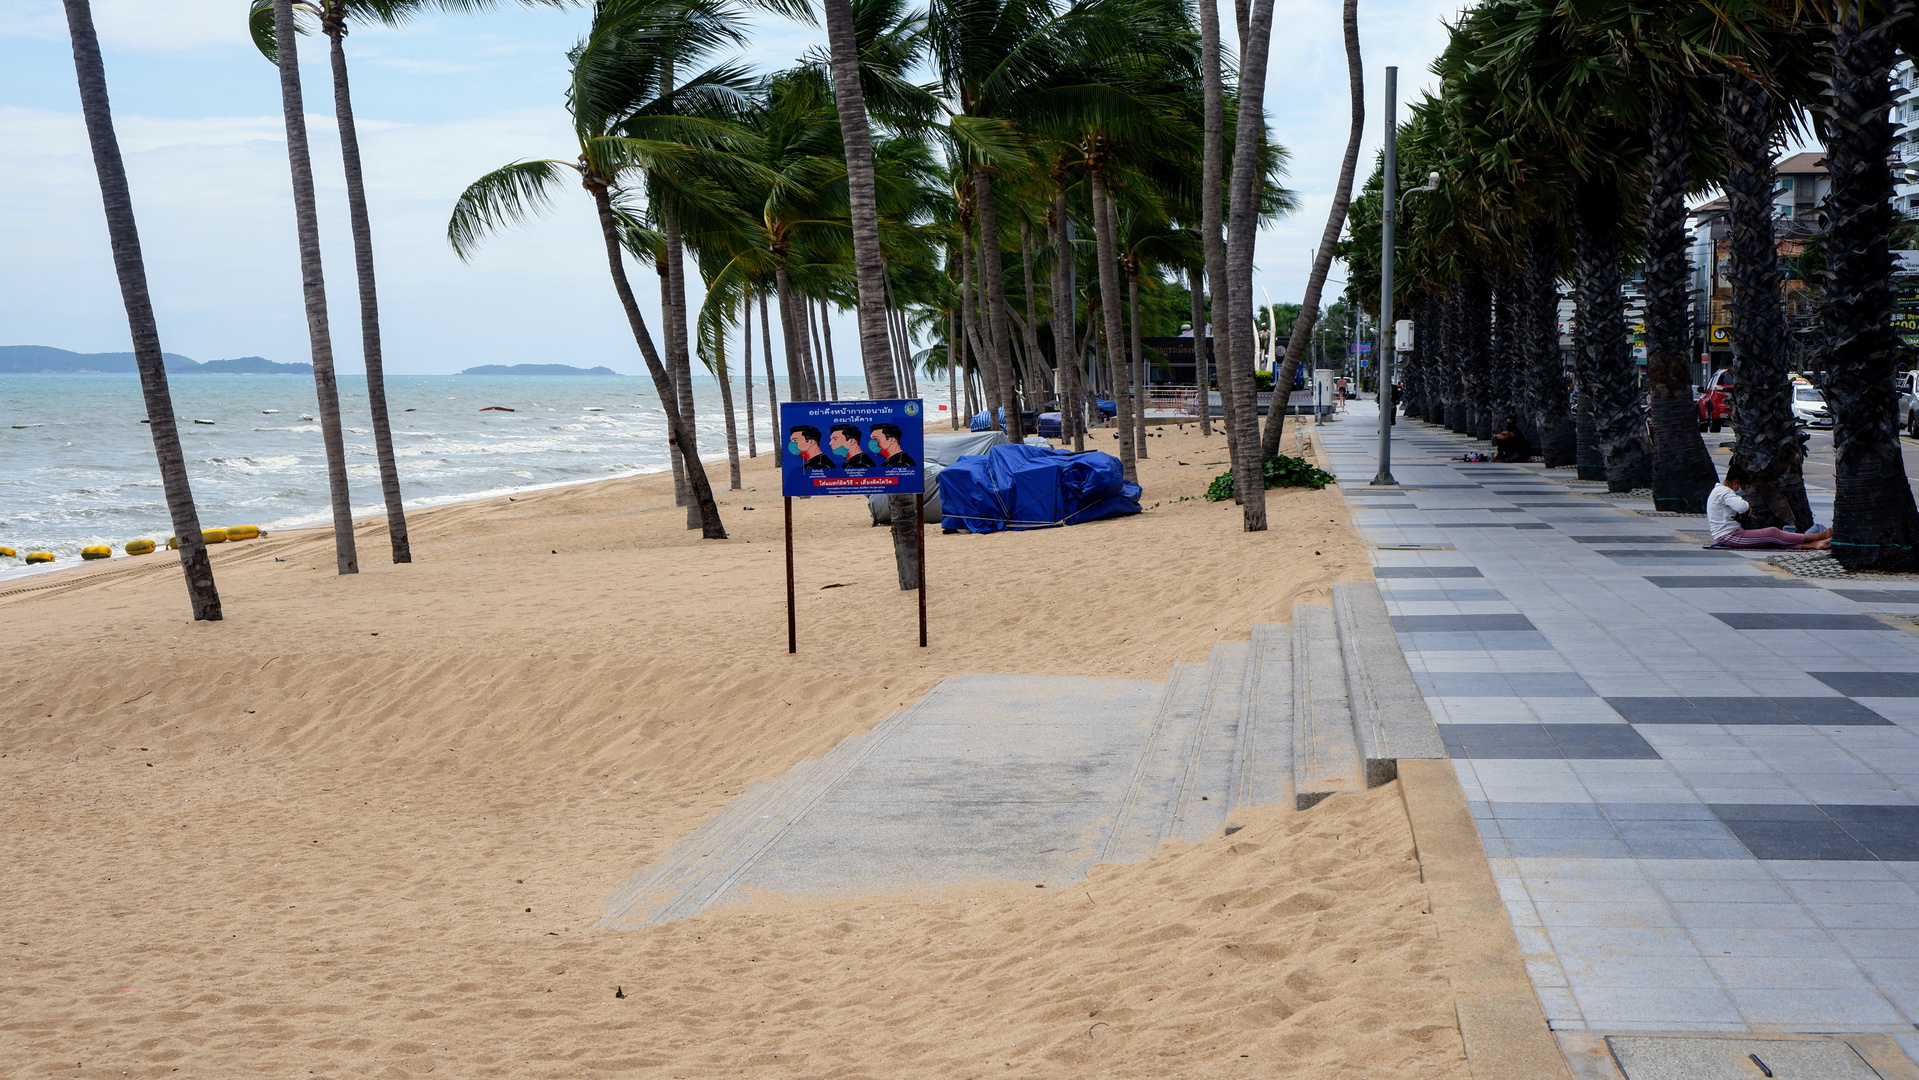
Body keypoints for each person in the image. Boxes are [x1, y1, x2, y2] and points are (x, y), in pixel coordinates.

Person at [1708, 463, 1832, 548]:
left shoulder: (1720, 491)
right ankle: (1816, 537)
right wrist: (1748, 506)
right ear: (1736, 482)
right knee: (1772, 533)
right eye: (1742, 487)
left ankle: (1813, 544)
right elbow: (1742, 507)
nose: (1741, 491)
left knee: (1771, 538)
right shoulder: (1724, 492)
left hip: (1732, 534)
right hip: (1729, 537)